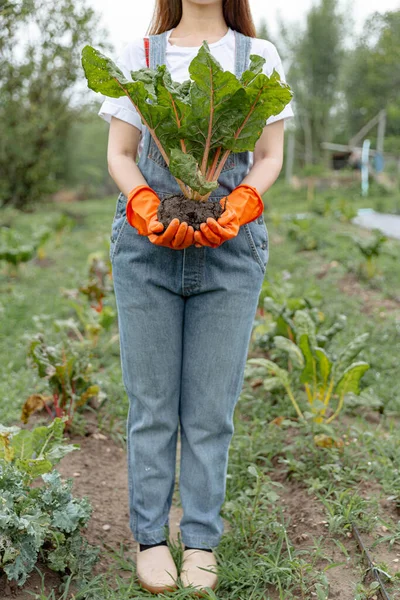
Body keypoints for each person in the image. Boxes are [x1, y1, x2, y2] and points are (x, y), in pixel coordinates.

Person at [98, 0, 294, 594]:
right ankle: (152, 539)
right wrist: (144, 205)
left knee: (210, 411)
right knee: (152, 406)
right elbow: (120, 154)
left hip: (229, 248)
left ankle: (201, 538)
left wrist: (240, 204)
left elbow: (269, 157)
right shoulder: (141, 56)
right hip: (149, 247)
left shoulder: (257, 58)